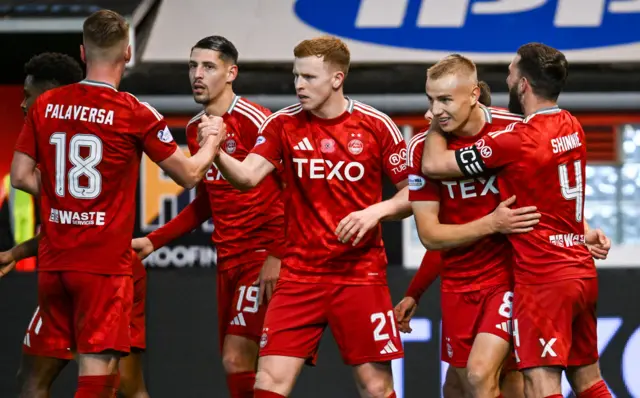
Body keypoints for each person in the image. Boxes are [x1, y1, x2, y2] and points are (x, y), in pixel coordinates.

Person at [10, 9, 224, 397]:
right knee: (99, 376)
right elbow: (189, 175)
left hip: (55, 264)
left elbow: (22, 176)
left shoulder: (46, 105)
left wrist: (64, 193)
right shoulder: (134, 113)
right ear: (128, 52)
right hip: (103, 269)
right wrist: (212, 140)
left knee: (33, 378)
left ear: (82, 51)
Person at [198, 35, 411, 398]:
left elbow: (414, 194)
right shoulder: (283, 124)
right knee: (268, 382)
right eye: (296, 76)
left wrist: (376, 211)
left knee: (376, 386)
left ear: (336, 79)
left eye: (309, 77)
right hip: (298, 278)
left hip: (359, 276)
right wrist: (215, 151)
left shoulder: (376, 125)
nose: (299, 85)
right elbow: (248, 177)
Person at [420, 43, 612, 398]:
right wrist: (583, 230)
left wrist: (434, 124)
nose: (506, 78)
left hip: (543, 279)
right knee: (589, 381)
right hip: (581, 270)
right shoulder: (572, 126)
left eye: (510, 72)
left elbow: (433, 166)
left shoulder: (516, 140)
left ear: (523, 84)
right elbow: (553, 197)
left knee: (540, 384)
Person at [131, 35, 284, 398]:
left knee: (237, 357)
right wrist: (155, 239)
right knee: (240, 363)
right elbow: (207, 200)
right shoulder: (198, 128)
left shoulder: (257, 120)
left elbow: (293, 191)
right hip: (227, 259)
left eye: (208, 67)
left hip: (261, 256)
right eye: (192, 65)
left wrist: (279, 253)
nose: (197, 75)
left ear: (231, 73)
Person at [0, 51, 152, 398]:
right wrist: (17, 251)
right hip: (68, 267)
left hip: (108, 271)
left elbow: (76, 218)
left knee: (125, 386)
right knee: (32, 378)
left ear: (52, 94)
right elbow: (66, 224)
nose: (23, 105)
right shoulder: (54, 147)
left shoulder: (99, 131)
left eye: (29, 94)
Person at [394, 55, 536, 398]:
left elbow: (546, 193)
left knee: (484, 375)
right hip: (459, 285)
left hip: (511, 278)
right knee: (458, 386)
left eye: (445, 99)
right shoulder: (421, 152)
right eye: (430, 100)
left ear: (474, 95)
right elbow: (431, 234)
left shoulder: (513, 130)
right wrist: (415, 290)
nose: (435, 110)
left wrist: (583, 229)